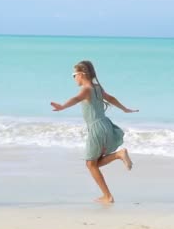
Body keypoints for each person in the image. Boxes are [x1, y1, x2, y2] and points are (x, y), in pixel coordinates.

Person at [51, 60, 138, 203]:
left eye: (74, 75)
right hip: (106, 125)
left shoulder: (86, 89)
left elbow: (76, 98)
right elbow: (110, 98)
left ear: (81, 74)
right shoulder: (97, 88)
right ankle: (118, 156)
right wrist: (124, 109)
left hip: (96, 128)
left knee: (90, 164)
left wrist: (62, 107)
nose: (73, 78)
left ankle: (108, 195)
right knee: (93, 163)